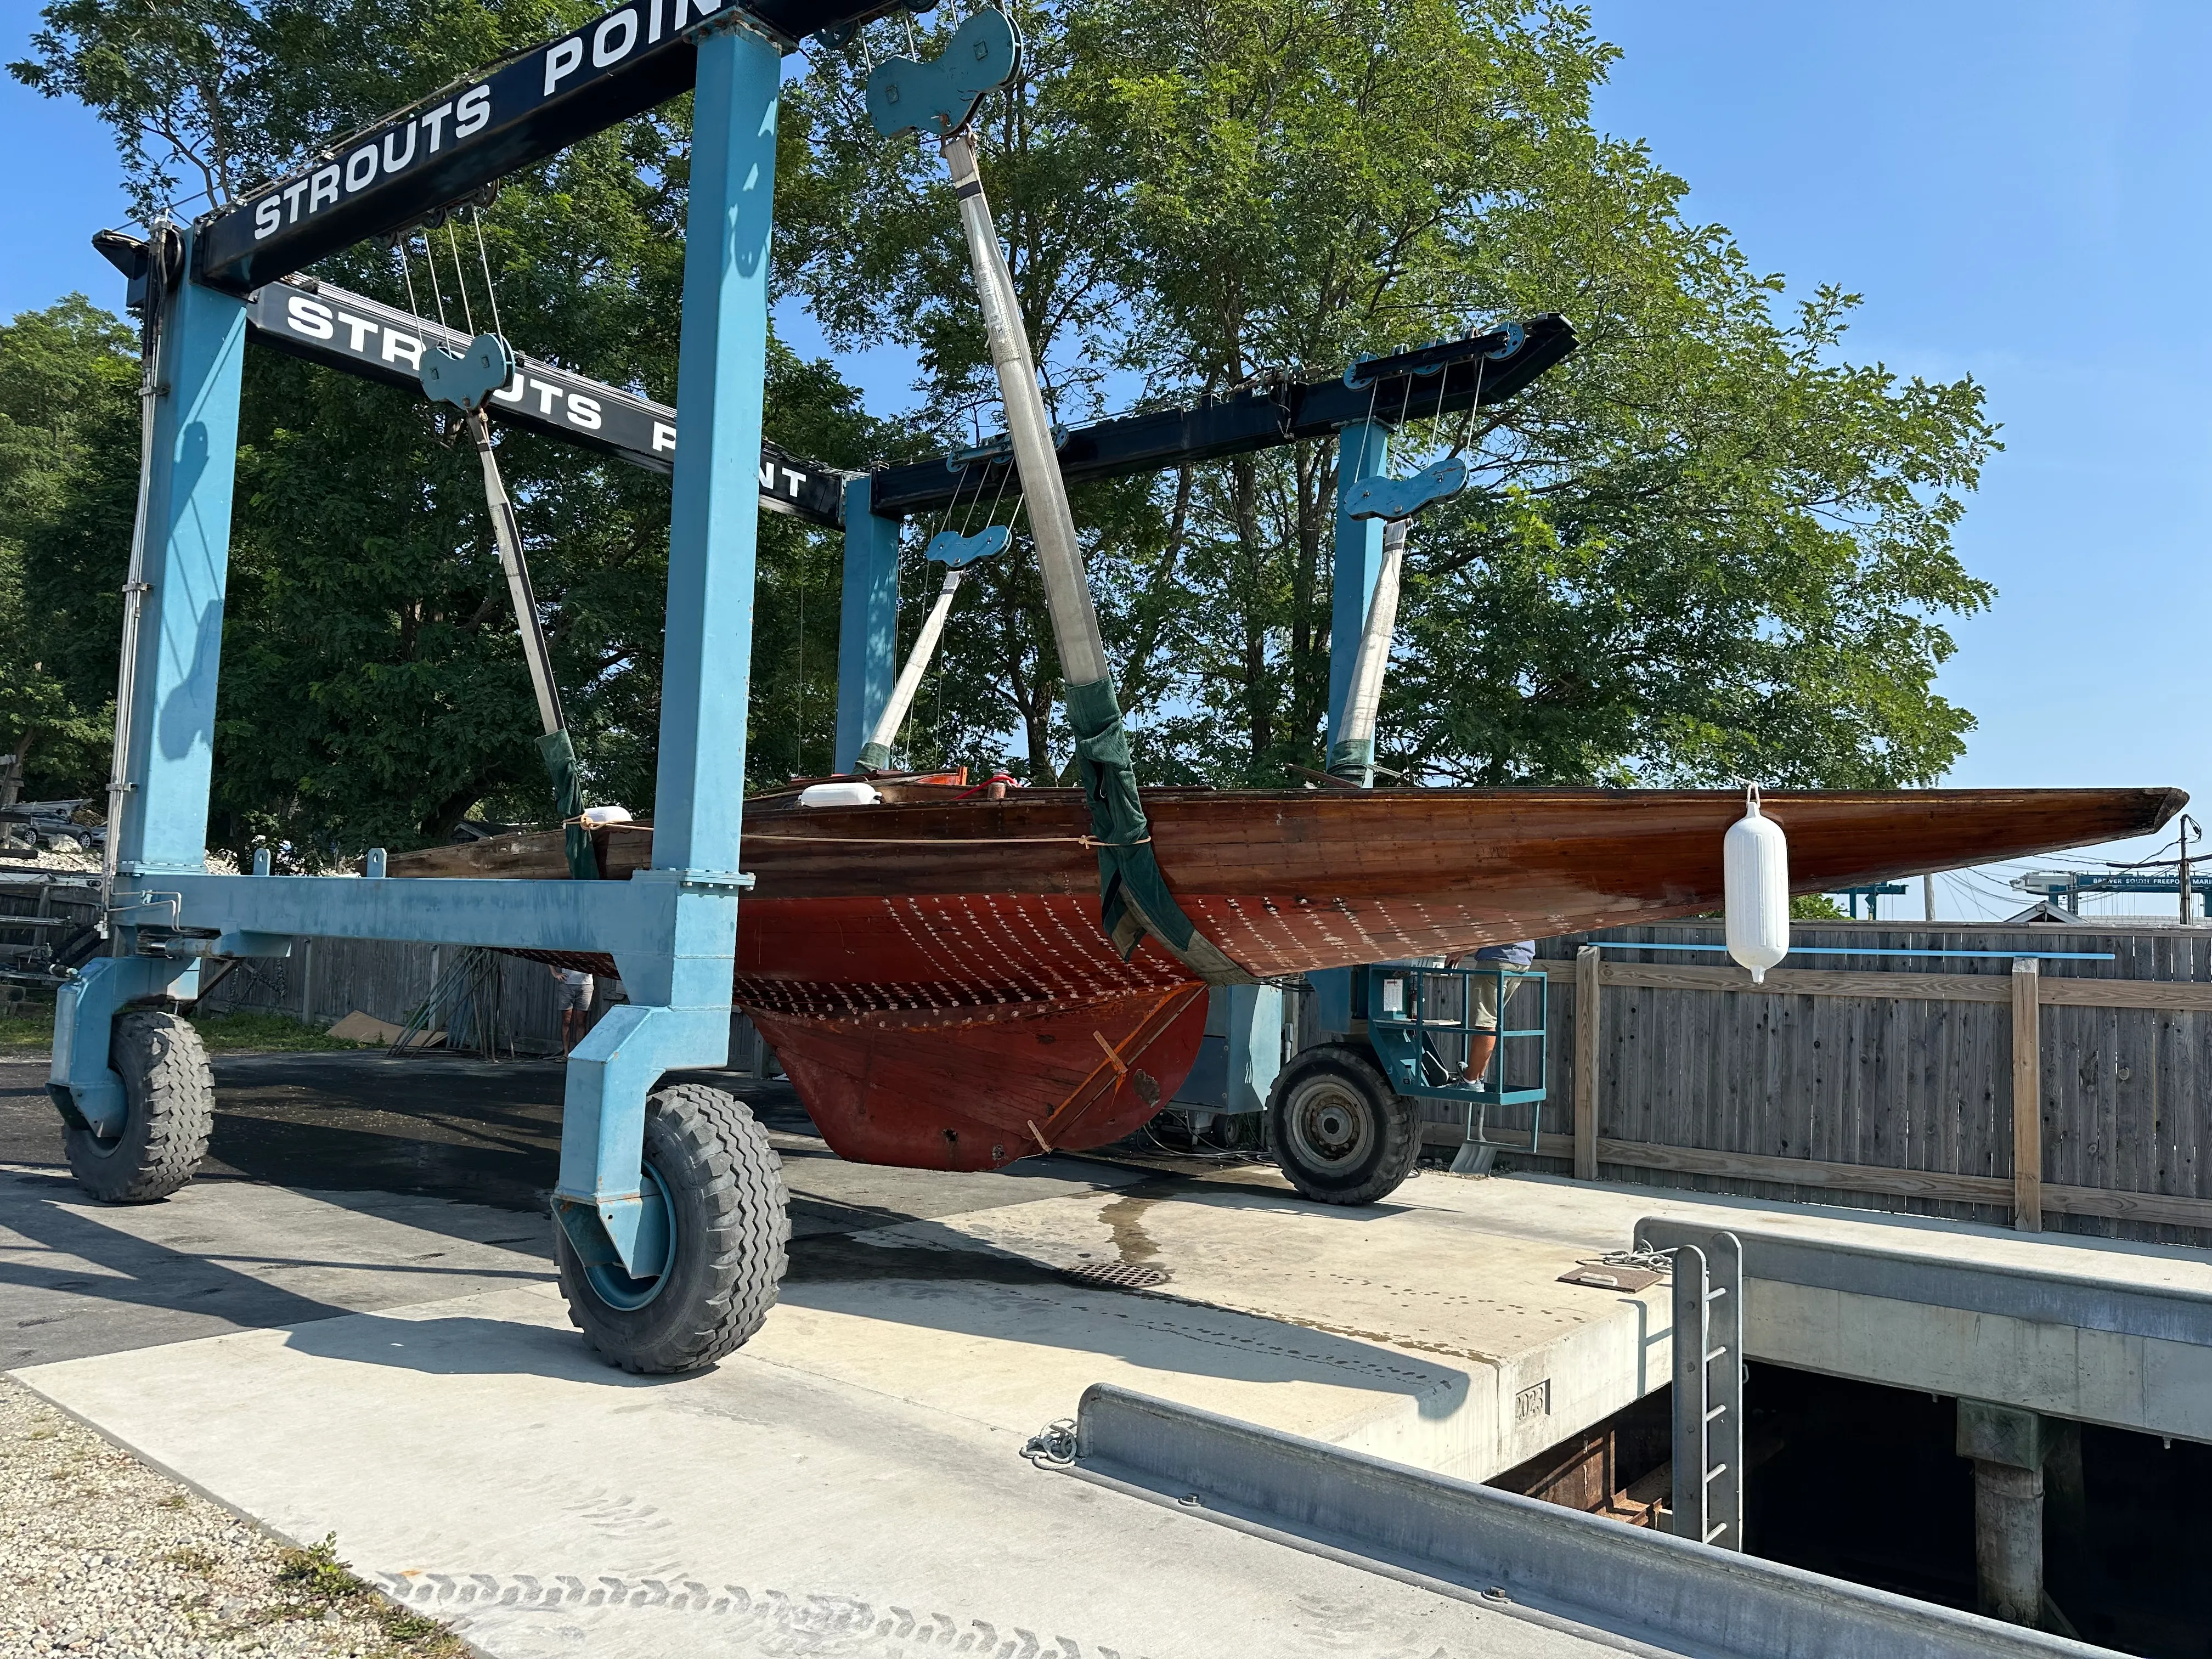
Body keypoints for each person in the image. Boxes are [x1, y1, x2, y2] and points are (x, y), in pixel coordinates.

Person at [1447, 939, 1536, 1087]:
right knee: (1491, 1021)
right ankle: (1477, 1075)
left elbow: (1491, 931)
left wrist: (1461, 950)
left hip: (1497, 958)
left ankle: (1469, 1080)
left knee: (1485, 1022)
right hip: (1522, 959)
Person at [549, 964, 594, 1056]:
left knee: (581, 1022)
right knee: (566, 1021)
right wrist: (554, 973)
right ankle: (566, 1054)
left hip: (586, 985)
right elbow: (550, 953)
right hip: (567, 985)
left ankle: (578, 1054)